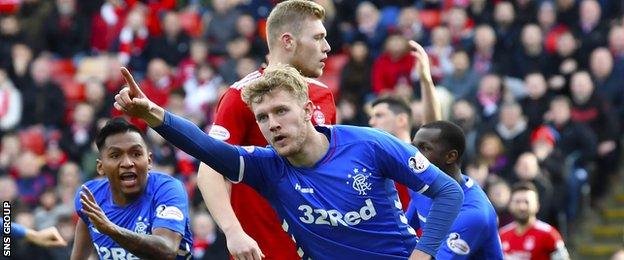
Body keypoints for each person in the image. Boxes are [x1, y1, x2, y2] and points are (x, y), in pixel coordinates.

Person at [114, 63, 463, 259]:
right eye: (263, 118)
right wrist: (154, 114)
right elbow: (206, 148)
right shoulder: (267, 167)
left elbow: (449, 192)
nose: (272, 124)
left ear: (309, 110)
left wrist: (423, 254)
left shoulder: (371, 145)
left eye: (281, 111)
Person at [198, 1, 336, 259]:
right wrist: (233, 232)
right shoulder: (242, 95)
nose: (327, 47)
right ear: (288, 41)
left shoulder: (323, 95)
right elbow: (210, 170)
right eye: (318, 38)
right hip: (263, 252)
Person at [406, 40, 504, 259]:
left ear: (450, 157)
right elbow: (401, 236)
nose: (414, 155)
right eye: (414, 147)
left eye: (423, 148)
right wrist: (425, 80)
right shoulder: (421, 186)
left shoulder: (473, 213)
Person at [70, 118, 193, 260]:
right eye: (115, 155)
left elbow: (167, 250)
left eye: (136, 154)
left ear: (149, 161)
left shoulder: (167, 189)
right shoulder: (90, 196)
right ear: (100, 167)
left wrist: (112, 230)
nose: (127, 163)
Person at [499, 182, 570, 259]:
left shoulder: (549, 234)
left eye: (527, 202)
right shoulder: (502, 234)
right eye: (517, 202)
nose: (522, 207)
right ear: (510, 205)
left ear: (537, 206)